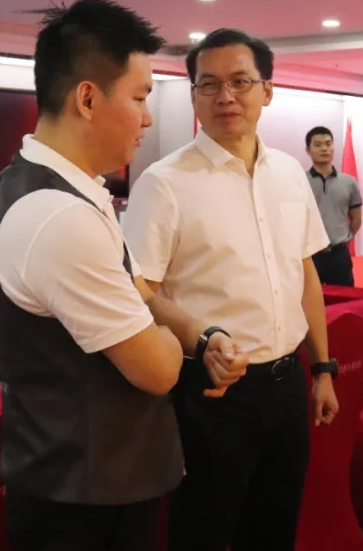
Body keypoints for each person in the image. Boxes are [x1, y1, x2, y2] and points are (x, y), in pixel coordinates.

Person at [0, 0, 246, 551]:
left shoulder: (69, 190)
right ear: (87, 98)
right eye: (140, 96)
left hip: (100, 482)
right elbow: (157, 370)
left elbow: (137, 298)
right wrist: (173, 345)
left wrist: (197, 337)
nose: (148, 118)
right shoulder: (58, 215)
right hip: (81, 499)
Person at [122, 29, 340, 551]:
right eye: (210, 84)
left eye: (240, 82)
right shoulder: (164, 182)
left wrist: (323, 369)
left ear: (268, 90)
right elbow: (137, 290)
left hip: (287, 383)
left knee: (274, 529)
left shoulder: (289, 174)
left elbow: (304, 274)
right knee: (204, 531)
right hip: (211, 392)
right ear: (193, 94)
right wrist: (201, 339)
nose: (226, 97)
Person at [304, 125, 362, 286]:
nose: (324, 148)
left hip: (339, 254)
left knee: (344, 298)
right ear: (308, 150)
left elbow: (356, 218)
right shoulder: (299, 180)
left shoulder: (349, 182)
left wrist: (345, 238)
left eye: (328, 144)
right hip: (309, 255)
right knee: (309, 299)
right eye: (318, 145)